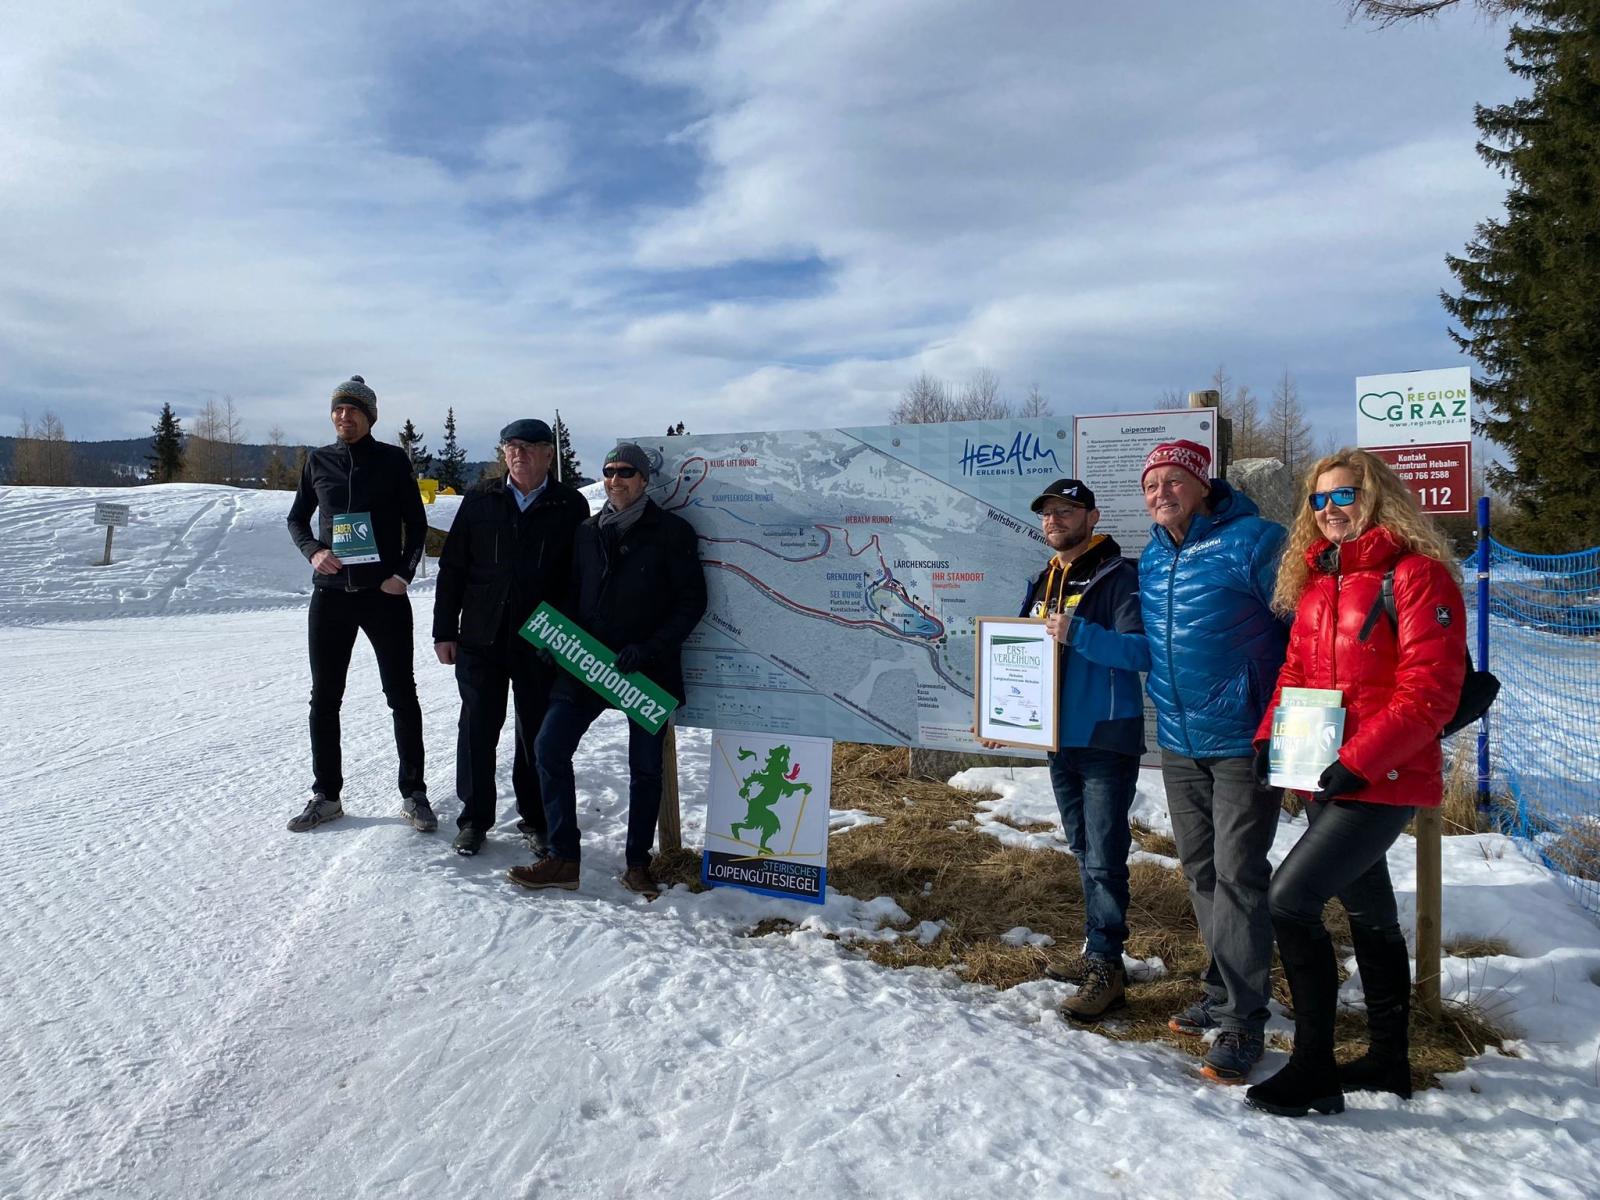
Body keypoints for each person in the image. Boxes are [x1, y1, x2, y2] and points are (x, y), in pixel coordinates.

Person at [1243, 449, 1466, 1118]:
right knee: (1368, 913)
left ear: (1377, 497)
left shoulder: (1417, 576)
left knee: (1289, 900)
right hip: (1324, 771)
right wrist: (1270, 737)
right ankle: (1389, 1059)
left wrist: (1360, 761)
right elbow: (1295, 673)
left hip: (1384, 776)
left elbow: (1429, 693)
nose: (1329, 509)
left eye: (1344, 494)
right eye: (1318, 499)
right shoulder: (1319, 582)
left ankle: (1313, 1066)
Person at [1139, 438, 1288, 1084]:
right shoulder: (1153, 555)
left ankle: (1244, 1019)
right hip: (1179, 741)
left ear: (1203, 485)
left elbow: (1302, 630)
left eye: (1173, 481)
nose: (1161, 493)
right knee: (1201, 868)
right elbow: (1152, 645)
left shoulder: (1256, 541)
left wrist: (1287, 722)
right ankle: (1223, 987)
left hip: (1243, 739)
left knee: (1238, 873)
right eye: (1151, 486)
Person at [508, 443, 706, 896]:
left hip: (645, 671)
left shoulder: (673, 532)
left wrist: (650, 649)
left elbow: (692, 601)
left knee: (645, 770)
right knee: (549, 747)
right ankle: (563, 857)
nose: (615, 480)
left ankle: (638, 864)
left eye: (626, 472)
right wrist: (556, 642)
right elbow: (572, 592)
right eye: (609, 471)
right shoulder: (586, 531)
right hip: (588, 664)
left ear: (644, 480)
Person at [981, 478, 1146, 1020]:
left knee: (1103, 857)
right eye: (1048, 512)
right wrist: (1002, 714)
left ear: (1092, 517)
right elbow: (1020, 657)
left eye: (1067, 510)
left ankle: (1106, 966)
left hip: (1104, 736)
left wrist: (1079, 633)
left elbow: (1141, 651)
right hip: (1058, 739)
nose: (1054, 519)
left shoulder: (1119, 576)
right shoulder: (1043, 579)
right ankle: (1097, 952)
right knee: (1083, 849)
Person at [432, 418, 589, 857]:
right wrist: (444, 630)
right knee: (477, 729)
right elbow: (453, 567)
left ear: (548, 454)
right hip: (480, 636)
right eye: (510, 446)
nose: (517, 453)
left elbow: (578, 577)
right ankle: (474, 820)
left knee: (535, 732)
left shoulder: (569, 505)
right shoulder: (481, 499)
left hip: (541, 640)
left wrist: (568, 634)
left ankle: (536, 820)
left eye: (527, 446)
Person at [285, 375, 432, 833]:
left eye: (353, 410)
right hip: (330, 597)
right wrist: (314, 551)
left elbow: (417, 524)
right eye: (338, 409)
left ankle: (414, 794)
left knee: (401, 694)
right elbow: (296, 519)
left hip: (383, 597)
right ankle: (326, 796)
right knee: (324, 698)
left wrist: (402, 576)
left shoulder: (392, 460)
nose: (344, 416)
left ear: (369, 416)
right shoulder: (318, 461)